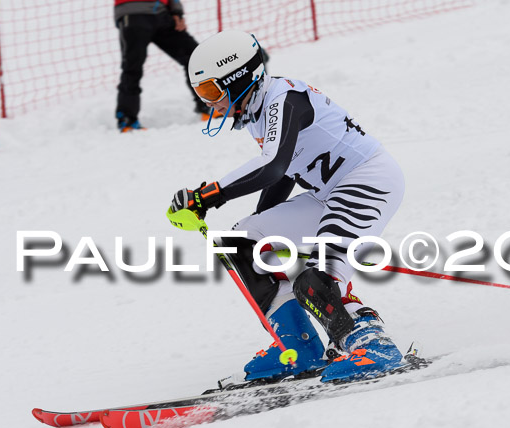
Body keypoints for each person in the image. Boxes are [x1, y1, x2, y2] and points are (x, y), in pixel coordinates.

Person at [170, 30, 405, 383]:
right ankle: (296, 346)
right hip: (327, 193)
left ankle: (371, 344)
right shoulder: (258, 111)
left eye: (211, 92)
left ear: (238, 78)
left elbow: (274, 165)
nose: (208, 103)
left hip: (367, 181)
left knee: (316, 280)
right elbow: (286, 172)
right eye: (200, 93)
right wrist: (260, 222)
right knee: (242, 242)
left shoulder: (284, 99)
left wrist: (208, 195)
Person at [113, 0, 218, 132]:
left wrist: (176, 12)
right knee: (132, 68)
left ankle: (210, 105)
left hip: (161, 13)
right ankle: (127, 120)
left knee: (195, 57)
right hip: (133, 13)